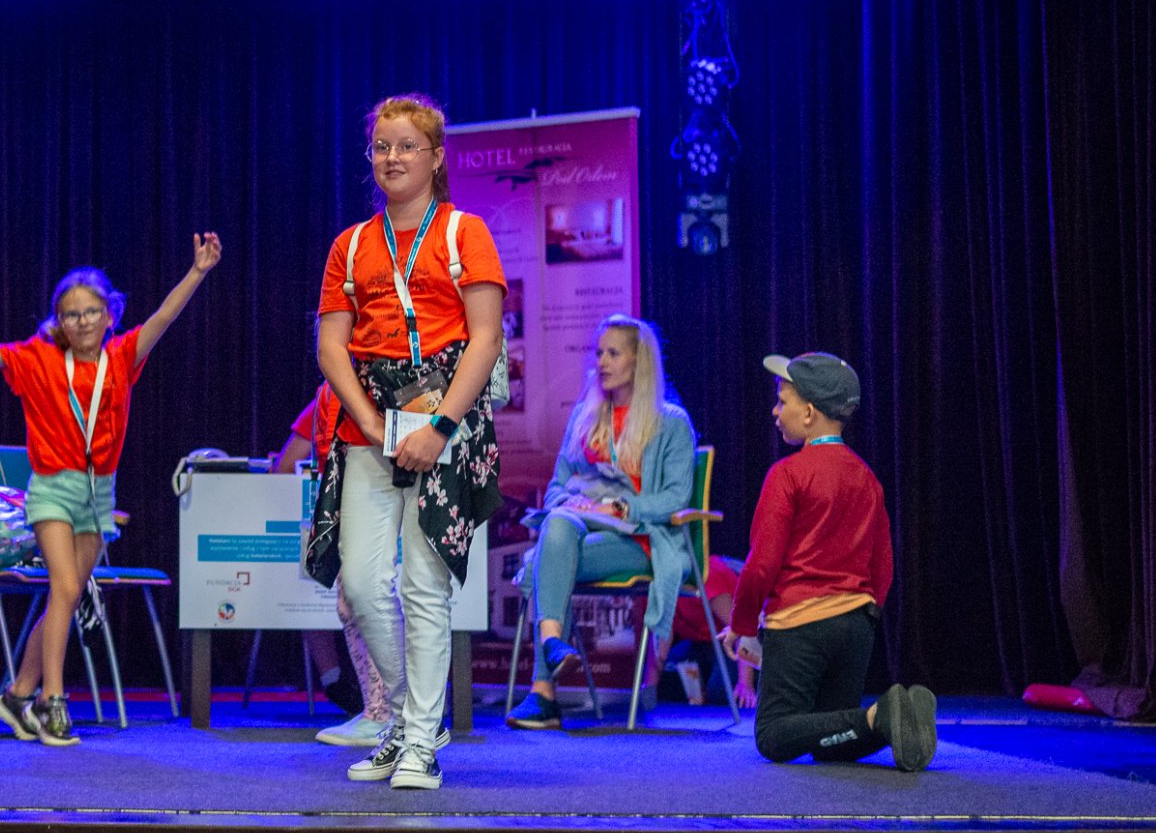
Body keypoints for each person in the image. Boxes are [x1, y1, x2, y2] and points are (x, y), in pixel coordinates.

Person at [306, 94, 506, 790]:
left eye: (406, 146)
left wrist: (440, 427)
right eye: (381, 146)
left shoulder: (463, 233)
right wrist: (368, 421)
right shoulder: (350, 244)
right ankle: (407, 717)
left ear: (436, 157)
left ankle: (419, 740)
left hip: (444, 420)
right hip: (368, 423)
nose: (392, 157)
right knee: (361, 584)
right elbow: (331, 348)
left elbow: (485, 338)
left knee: (424, 584)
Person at [0, 236, 223, 746]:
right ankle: (52, 700)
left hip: (99, 492)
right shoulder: (38, 357)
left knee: (69, 594)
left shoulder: (121, 357)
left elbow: (163, 319)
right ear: (58, 321)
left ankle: (17, 693)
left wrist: (198, 271)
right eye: (71, 314)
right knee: (63, 588)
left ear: (109, 315)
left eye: (91, 312)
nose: (81, 322)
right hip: (52, 489)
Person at [718, 353, 936, 770]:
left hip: (799, 625)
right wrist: (865, 614)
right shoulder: (867, 477)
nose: (775, 411)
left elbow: (761, 566)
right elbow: (883, 566)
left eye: (782, 401)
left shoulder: (787, 474)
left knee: (773, 736)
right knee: (830, 740)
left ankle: (879, 714)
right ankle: (889, 717)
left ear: (809, 413)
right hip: (856, 625)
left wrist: (743, 626)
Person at [505, 314, 697, 731]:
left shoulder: (671, 422)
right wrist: (574, 502)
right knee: (558, 523)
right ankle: (554, 645)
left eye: (613, 353)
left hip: (639, 539)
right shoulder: (585, 415)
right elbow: (556, 486)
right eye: (599, 353)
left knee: (547, 559)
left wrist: (621, 508)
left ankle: (543, 693)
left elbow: (674, 498)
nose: (602, 362)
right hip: (579, 529)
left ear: (639, 361)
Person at [273, 386, 392, 746]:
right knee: (351, 602)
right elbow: (292, 463)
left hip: (374, 494)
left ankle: (387, 711)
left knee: (369, 598)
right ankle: (377, 710)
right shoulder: (328, 393)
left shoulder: (372, 383)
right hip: (343, 498)